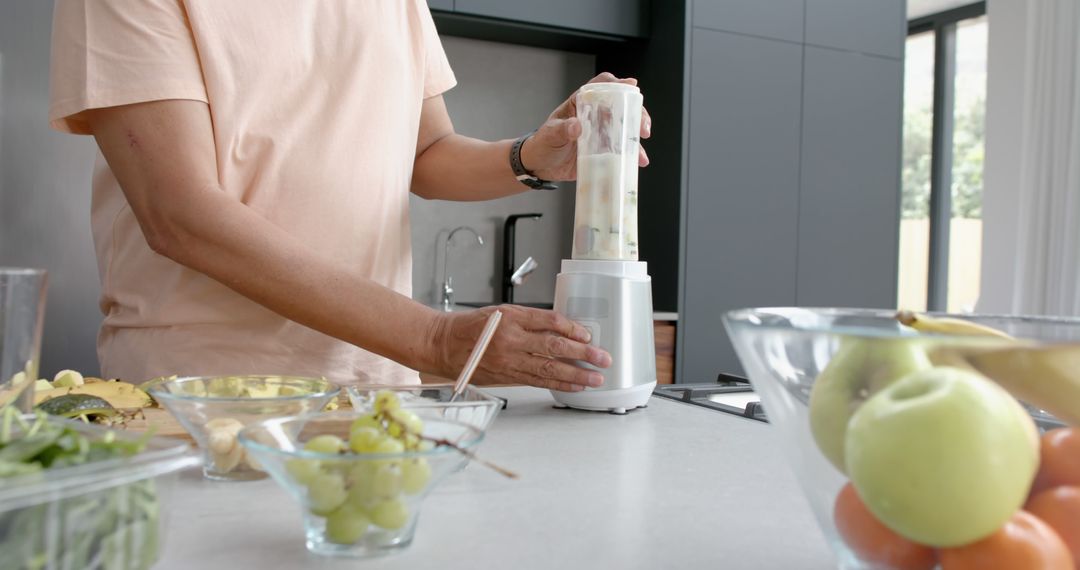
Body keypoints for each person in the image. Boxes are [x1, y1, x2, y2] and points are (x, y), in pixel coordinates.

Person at [47, 0, 651, 390]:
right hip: (201, 396)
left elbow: (427, 152)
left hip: (377, 391)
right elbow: (179, 214)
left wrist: (529, 154)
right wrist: (434, 339)